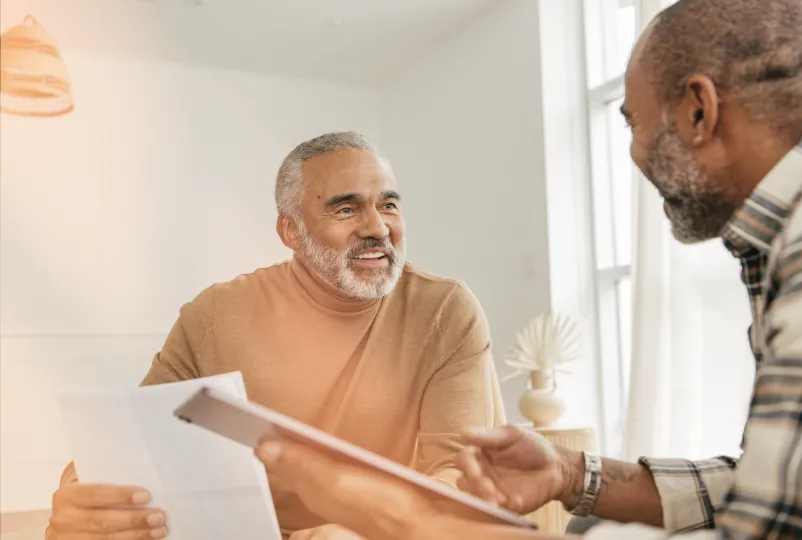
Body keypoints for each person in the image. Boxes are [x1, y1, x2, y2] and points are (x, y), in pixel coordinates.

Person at [245, 0, 802, 538]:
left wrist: (404, 518)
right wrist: (570, 475)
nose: (635, 153)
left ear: (700, 110)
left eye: (632, 121)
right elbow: (780, 476)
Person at [45, 132, 506, 540]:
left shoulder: (445, 310)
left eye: (388, 204)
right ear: (291, 230)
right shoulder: (216, 314)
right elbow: (135, 439)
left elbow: (457, 475)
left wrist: (366, 530)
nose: (377, 227)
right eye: (346, 208)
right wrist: (80, 495)